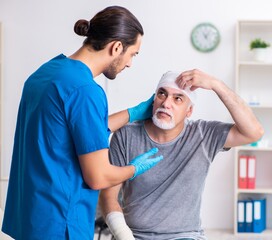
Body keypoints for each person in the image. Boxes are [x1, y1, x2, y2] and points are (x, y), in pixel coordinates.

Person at [2, 6, 164, 240]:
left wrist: (133, 112)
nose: (130, 64)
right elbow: (97, 176)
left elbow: (72, 131)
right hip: (60, 223)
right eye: (133, 54)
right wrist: (134, 169)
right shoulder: (86, 91)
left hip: (32, 217)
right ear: (116, 47)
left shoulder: (47, 72)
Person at [99, 69, 264, 240]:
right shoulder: (126, 135)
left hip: (185, 236)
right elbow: (108, 196)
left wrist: (217, 85)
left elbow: (254, 132)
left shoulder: (203, 135)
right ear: (154, 100)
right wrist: (123, 235)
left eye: (178, 98)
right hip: (132, 235)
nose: (166, 103)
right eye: (162, 94)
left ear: (189, 111)